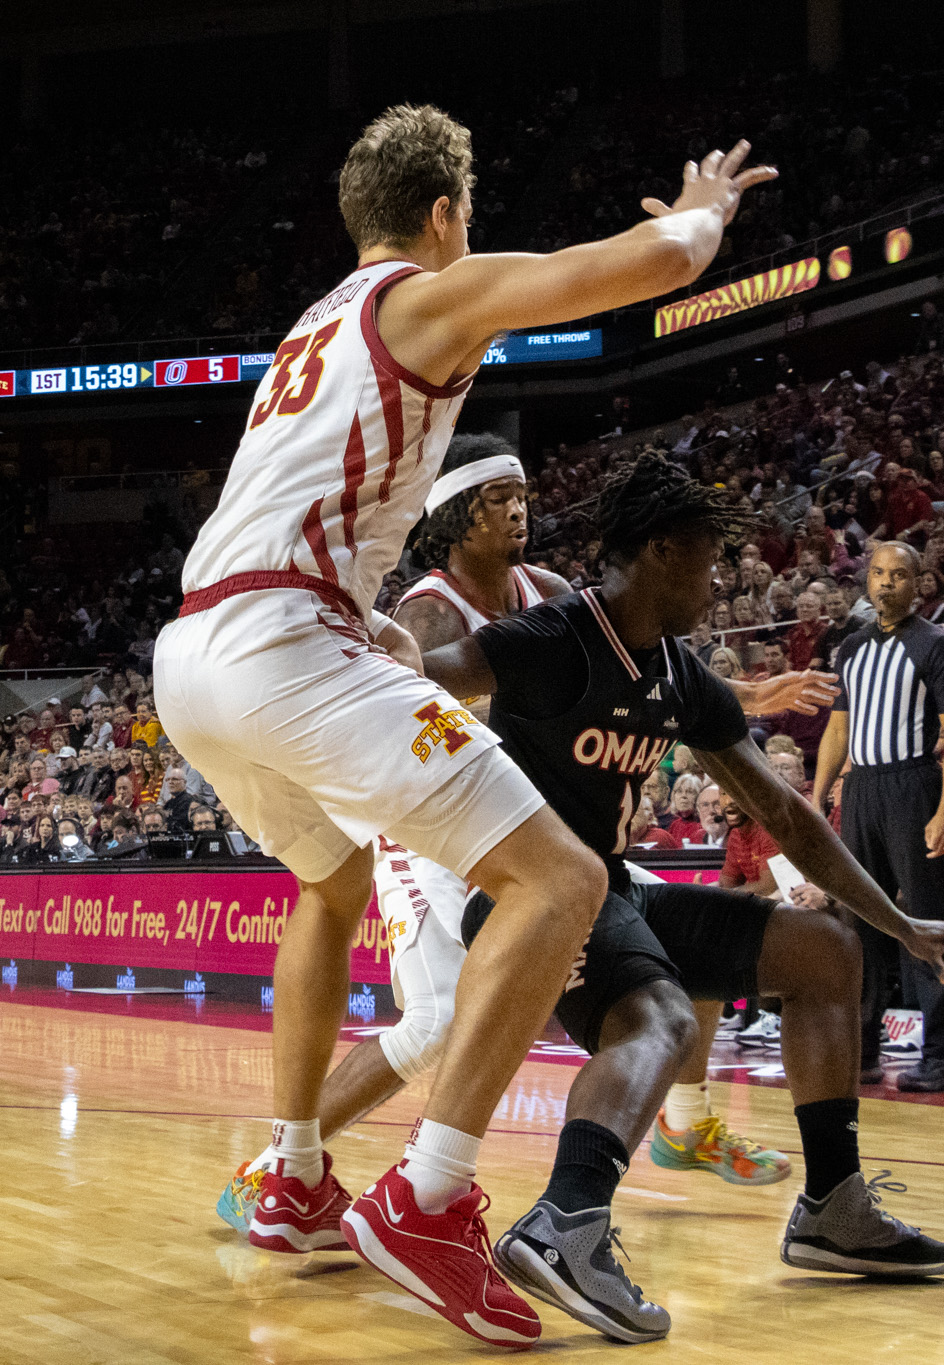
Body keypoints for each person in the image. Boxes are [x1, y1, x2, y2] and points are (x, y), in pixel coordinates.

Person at [154, 110, 779, 1345]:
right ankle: (428, 1198)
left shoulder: (316, 319)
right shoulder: (417, 297)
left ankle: (292, 1172)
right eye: (467, 217)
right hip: (283, 646)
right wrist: (692, 215)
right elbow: (645, 272)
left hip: (193, 654)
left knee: (328, 889)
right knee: (560, 875)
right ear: (445, 215)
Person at [413, 454, 944, 1337]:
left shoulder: (678, 673)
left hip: (606, 888)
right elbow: (418, 672)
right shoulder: (552, 638)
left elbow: (790, 817)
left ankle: (832, 1208)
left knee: (824, 950)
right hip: (524, 898)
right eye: (709, 559)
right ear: (661, 552)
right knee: (663, 1020)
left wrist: (900, 920)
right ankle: (567, 1220)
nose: (718, 581)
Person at [814, 543, 944, 1094]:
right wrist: (818, 798)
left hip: (913, 785)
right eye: (878, 574)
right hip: (861, 789)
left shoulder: (937, 644)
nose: (886, 583)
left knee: (926, 920)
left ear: (919, 583)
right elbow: (839, 728)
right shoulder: (853, 647)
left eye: (898, 574)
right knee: (860, 921)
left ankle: (940, 1056)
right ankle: (863, 1050)